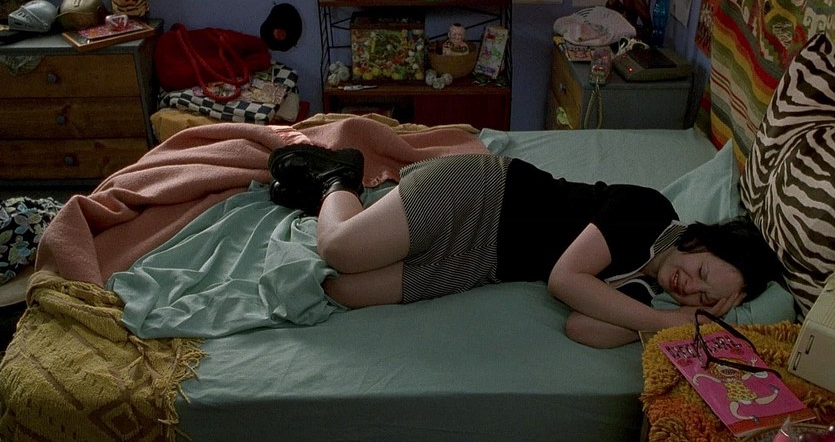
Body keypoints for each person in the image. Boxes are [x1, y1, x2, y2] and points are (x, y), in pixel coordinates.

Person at [267, 145, 783, 348]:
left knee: (340, 290)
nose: (688, 288)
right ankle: (338, 175)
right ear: (702, 241)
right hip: (482, 195)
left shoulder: (644, 293)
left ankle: (323, 197)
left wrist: (681, 323)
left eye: (703, 298)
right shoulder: (648, 210)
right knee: (338, 250)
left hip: (480, 262)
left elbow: (582, 327)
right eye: (703, 274)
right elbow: (565, 279)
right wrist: (667, 323)